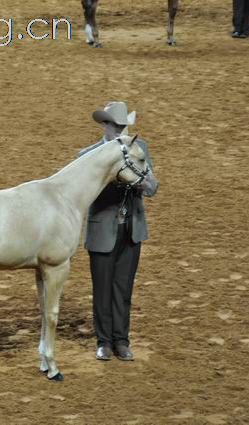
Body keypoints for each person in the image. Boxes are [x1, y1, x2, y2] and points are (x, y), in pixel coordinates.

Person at [78, 102, 159, 361]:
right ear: (104, 125)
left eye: (123, 126)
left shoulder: (138, 148)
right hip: (103, 230)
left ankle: (121, 341)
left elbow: (152, 186)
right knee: (102, 289)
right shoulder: (88, 155)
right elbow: (81, 194)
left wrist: (140, 182)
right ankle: (103, 341)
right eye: (115, 126)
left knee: (123, 289)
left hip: (131, 229)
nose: (120, 130)